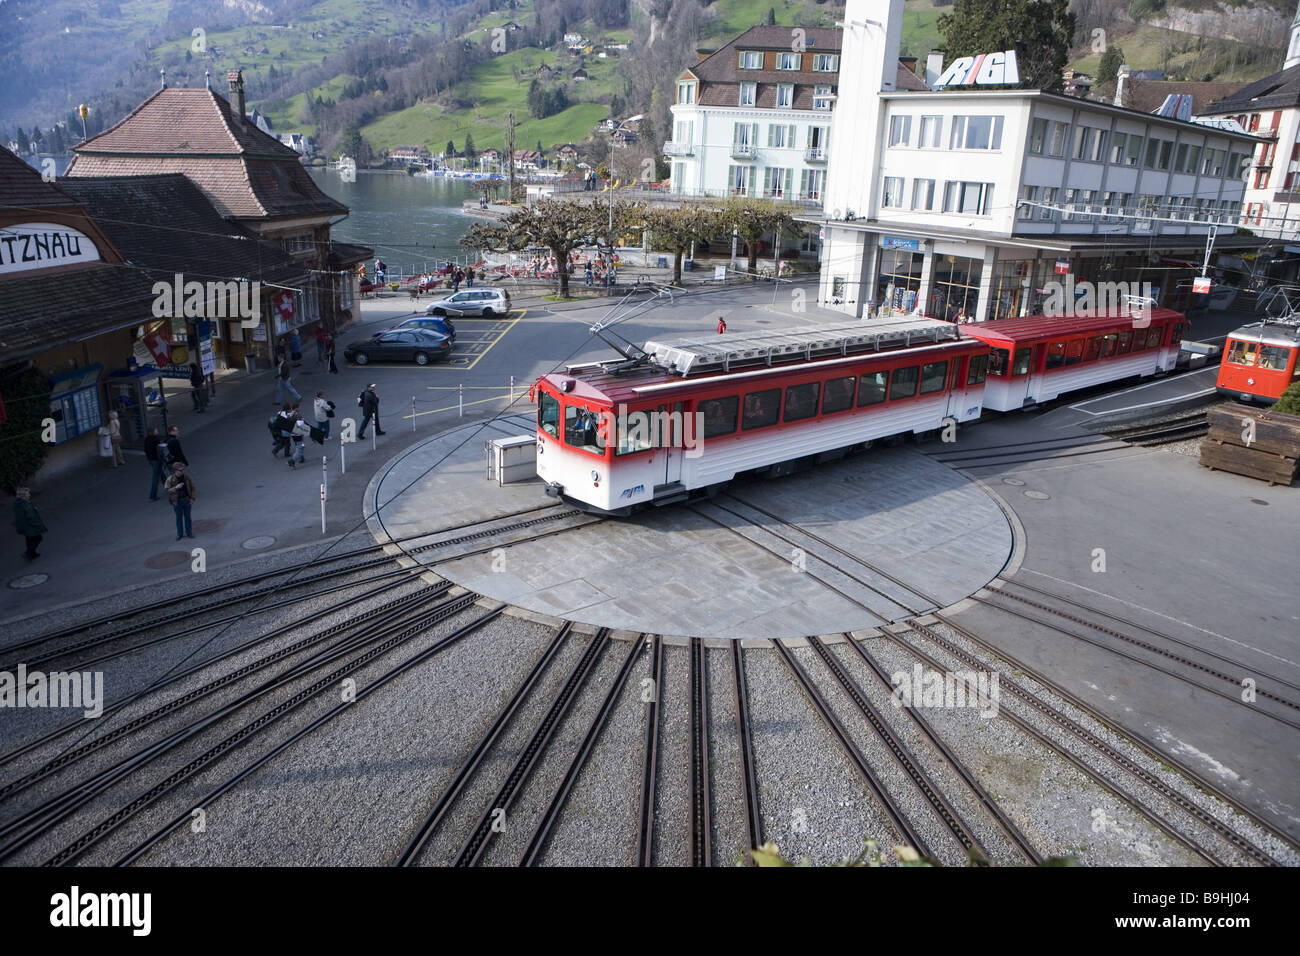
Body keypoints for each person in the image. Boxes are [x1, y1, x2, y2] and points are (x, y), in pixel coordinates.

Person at [164, 461, 196, 540]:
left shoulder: (186, 477)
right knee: (179, 518)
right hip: (177, 501)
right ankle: (180, 534)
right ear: (175, 471)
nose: (183, 472)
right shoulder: (170, 479)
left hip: (186, 500)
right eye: (180, 470)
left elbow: (193, 488)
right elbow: (167, 491)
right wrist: (176, 488)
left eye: (183, 470)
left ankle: (189, 532)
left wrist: (192, 498)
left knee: (188, 517)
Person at [13, 487, 46, 561]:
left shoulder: (17, 504)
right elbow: (31, 517)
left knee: (29, 539)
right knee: (38, 538)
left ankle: (32, 554)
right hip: (29, 526)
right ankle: (28, 553)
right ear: (24, 496)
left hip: (23, 525)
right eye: (28, 493)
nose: (29, 495)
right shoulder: (26, 504)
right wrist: (39, 525)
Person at [145, 427, 165, 500]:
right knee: (156, 478)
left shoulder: (147, 439)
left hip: (150, 460)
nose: (157, 431)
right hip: (156, 460)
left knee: (161, 474)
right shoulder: (156, 440)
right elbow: (162, 446)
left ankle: (167, 486)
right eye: (156, 430)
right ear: (153, 432)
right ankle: (153, 495)